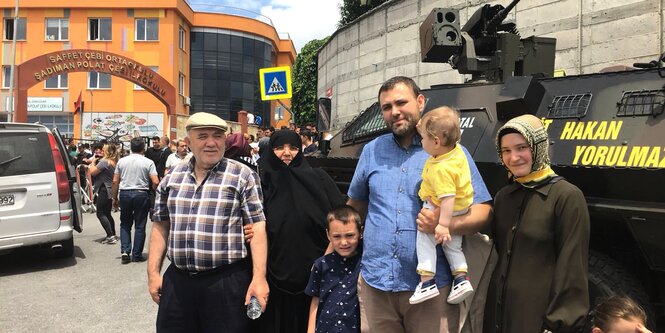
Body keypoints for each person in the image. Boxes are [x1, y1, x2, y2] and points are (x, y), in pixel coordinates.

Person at [346, 76, 492, 332]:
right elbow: (355, 206)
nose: (395, 112)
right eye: (386, 107)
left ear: (421, 102)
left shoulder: (451, 153)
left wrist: (446, 223)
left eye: (401, 102)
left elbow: (483, 211)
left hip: (432, 292)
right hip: (376, 285)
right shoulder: (371, 151)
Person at [147, 112, 269, 333]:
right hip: (178, 282)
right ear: (188, 142)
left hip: (226, 282)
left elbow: (258, 227)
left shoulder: (242, 176)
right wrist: (153, 273)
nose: (211, 143)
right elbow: (160, 225)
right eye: (202, 136)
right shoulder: (172, 178)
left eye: (218, 136)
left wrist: (259, 278)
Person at [484, 114, 590, 333]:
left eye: (522, 147)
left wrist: (559, 323)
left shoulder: (567, 196)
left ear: (538, 147)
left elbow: (572, 267)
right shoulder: (504, 196)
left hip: (539, 320)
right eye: (506, 150)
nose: (514, 157)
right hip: (499, 316)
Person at [256, 130, 345, 333]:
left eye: (293, 148)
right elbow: (252, 218)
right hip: (273, 273)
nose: (287, 153)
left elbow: (341, 217)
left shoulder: (318, 178)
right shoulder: (263, 182)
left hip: (315, 272)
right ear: (271, 150)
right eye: (279, 148)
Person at [410, 106, 474, 305]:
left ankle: (427, 281)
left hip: (442, 207)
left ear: (436, 141)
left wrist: (443, 224)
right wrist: (424, 125)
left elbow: (447, 198)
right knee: (453, 245)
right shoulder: (455, 150)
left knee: (425, 238)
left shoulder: (441, 169)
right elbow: (447, 123)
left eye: (423, 139)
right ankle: (461, 278)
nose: (421, 142)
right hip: (463, 206)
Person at [306, 205, 363, 333]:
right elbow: (315, 299)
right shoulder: (321, 265)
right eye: (337, 236)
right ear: (328, 235)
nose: (344, 242)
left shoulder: (365, 265)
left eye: (349, 235)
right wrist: (310, 330)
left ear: (361, 232)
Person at [112, 138, 159, 264]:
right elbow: (155, 181)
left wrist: (114, 197)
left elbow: (115, 181)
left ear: (131, 148)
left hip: (125, 193)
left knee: (125, 223)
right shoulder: (148, 162)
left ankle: (125, 251)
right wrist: (152, 191)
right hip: (141, 193)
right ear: (143, 148)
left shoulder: (121, 161)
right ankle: (137, 254)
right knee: (140, 224)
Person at [89, 144, 120, 244]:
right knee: (107, 213)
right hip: (111, 189)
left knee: (101, 213)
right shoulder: (114, 161)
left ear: (107, 152)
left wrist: (93, 162)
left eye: (103, 150)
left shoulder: (104, 162)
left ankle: (110, 235)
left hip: (104, 189)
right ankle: (112, 234)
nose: (101, 152)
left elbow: (93, 172)